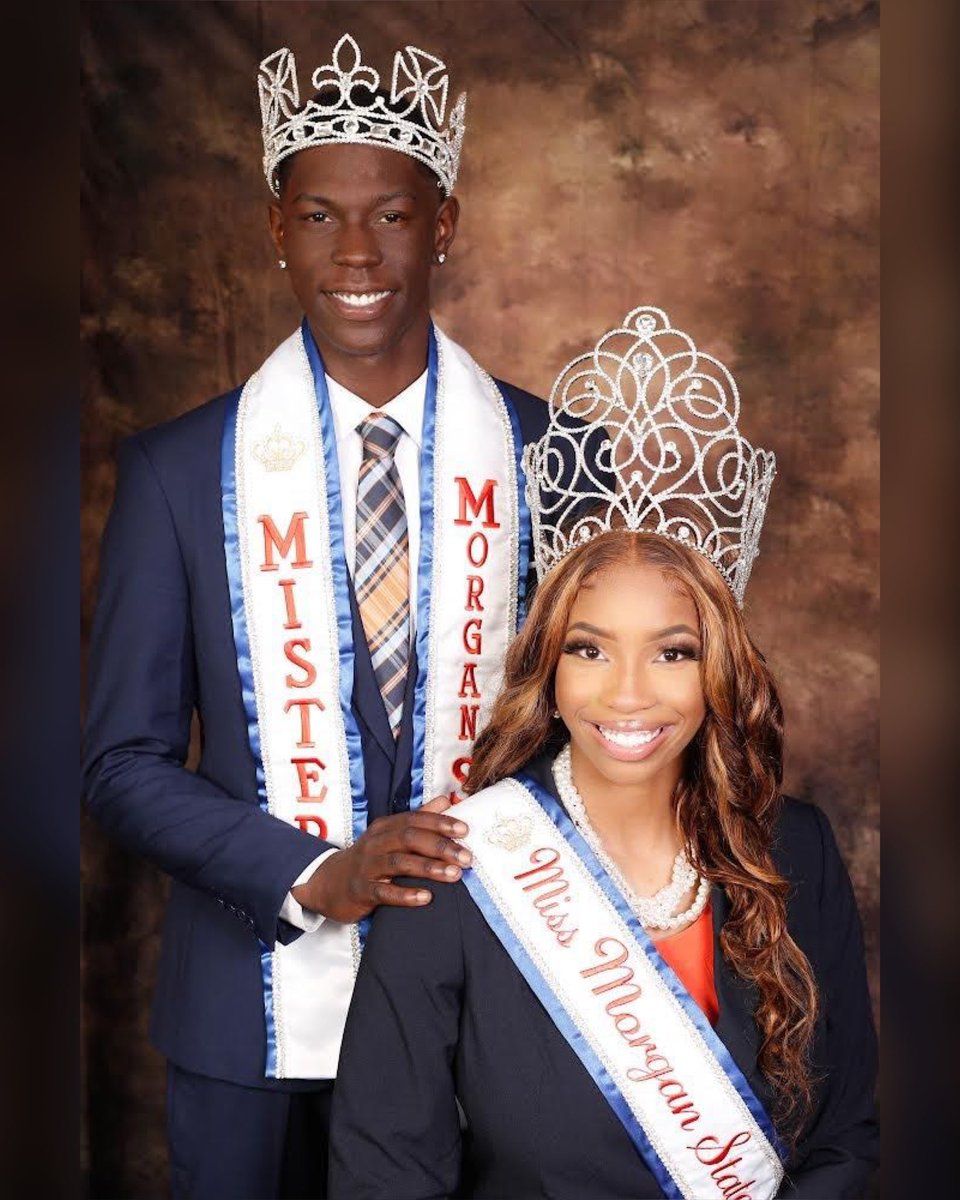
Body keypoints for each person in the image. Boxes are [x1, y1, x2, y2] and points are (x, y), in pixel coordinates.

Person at [83, 32, 550, 1200]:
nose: (356, 251)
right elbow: (121, 763)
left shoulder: (550, 456)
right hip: (250, 1018)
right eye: (318, 216)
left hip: (494, 1000)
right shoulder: (181, 473)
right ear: (275, 229)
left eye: (391, 215)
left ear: (443, 225)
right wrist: (309, 873)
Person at [329, 307, 879, 1199]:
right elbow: (385, 1170)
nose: (627, 693)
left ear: (721, 671)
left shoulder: (798, 849)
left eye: (673, 651)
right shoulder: (457, 870)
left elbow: (845, 1133)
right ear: (547, 669)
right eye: (589, 649)